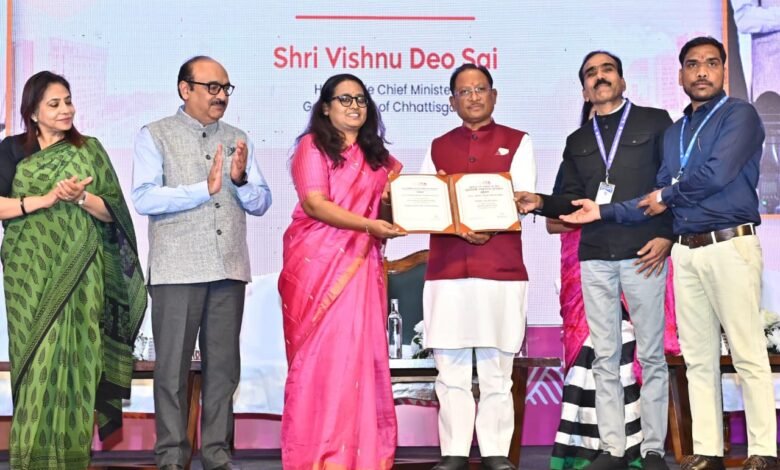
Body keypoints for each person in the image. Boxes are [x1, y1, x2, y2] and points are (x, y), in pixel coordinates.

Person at [562, 37, 777, 470]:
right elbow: (653, 197)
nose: (702, 71)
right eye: (692, 65)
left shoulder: (740, 115)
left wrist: (666, 195)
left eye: (711, 63)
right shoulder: (675, 131)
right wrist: (603, 211)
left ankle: (764, 451)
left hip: (730, 244)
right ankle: (709, 450)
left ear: (723, 71)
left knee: (747, 353)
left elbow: (714, 175)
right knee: (698, 358)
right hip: (686, 251)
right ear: (680, 76)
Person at [516, 51, 674, 470]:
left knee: (651, 356)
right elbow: (569, 200)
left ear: (622, 80)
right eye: (591, 73)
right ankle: (612, 448)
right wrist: (539, 202)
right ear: (584, 89)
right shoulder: (578, 141)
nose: (599, 77)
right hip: (595, 257)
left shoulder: (655, 121)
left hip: (644, 253)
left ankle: (652, 449)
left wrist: (667, 235)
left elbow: (671, 186)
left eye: (607, 70)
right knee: (605, 357)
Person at [0, 71, 146, 469]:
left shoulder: (89, 150)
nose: (66, 109)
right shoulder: (11, 150)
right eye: (54, 104)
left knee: (78, 364)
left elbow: (114, 213)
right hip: (28, 275)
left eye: (68, 101)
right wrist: (44, 200)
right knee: (36, 363)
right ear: (32, 112)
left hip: (82, 275)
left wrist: (81, 197)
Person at [132, 56, 272, 470]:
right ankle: (171, 457)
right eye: (213, 87)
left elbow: (262, 202)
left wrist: (240, 181)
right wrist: (201, 189)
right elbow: (143, 197)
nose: (221, 96)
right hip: (177, 269)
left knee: (224, 370)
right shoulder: (154, 134)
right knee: (172, 370)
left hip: (228, 268)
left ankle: (216, 454)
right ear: (185, 88)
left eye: (226, 88)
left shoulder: (238, 138)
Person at [278, 73, 403, 469]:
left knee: (359, 360)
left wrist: (389, 203)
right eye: (344, 99)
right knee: (323, 362)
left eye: (361, 99)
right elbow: (315, 204)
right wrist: (368, 225)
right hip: (318, 265)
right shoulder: (312, 147)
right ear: (325, 108)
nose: (354, 106)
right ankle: (317, 455)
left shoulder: (380, 160)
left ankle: (361, 455)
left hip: (362, 266)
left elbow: (388, 217)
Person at [420, 63, 536, 470]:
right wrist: (457, 226)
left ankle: (495, 453)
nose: (473, 97)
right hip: (447, 270)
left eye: (480, 89)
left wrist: (482, 226)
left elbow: (520, 198)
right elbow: (427, 202)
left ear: (494, 95)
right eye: (464, 91)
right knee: (449, 368)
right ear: (452, 101)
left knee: (496, 369)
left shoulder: (518, 141)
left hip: (499, 269)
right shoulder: (437, 146)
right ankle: (453, 452)